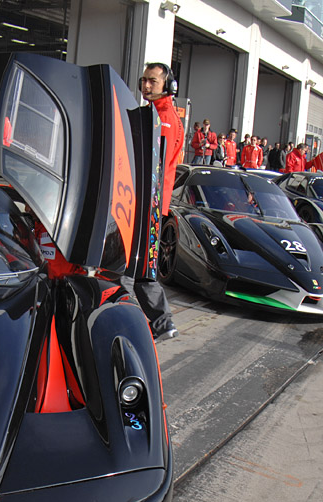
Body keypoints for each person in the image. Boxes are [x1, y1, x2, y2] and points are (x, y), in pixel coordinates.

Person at [136, 62, 181, 340]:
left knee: (140, 266)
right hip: (145, 201)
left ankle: (162, 322)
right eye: (144, 80)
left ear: (168, 86)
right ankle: (160, 322)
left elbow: (154, 164)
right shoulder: (153, 113)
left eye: (153, 81)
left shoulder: (163, 118)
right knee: (137, 264)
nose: (147, 85)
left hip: (149, 204)